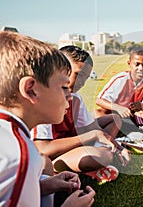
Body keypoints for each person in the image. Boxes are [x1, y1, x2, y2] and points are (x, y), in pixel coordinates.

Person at [0, 31, 95, 207]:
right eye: (64, 87)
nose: (69, 95)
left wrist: (43, 185)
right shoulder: (20, 156)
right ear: (31, 90)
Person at [31, 45, 130, 183]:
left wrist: (118, 147)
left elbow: (93, 128)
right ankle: (57, 167)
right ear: (60, 69)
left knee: (114, 121)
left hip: (71, 144)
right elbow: (43, 148)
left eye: (86, 77)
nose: (81, 82)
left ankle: (86, 163)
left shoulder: (75, 97)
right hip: (49, 155)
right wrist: (90, 137)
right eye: (78, 74)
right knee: (102, 155)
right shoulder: (43, 98)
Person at [95, 47, 143, 133]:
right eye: (137, 64)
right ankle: (127, 126)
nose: (141, 68)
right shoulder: (120, 79)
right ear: (129, 64)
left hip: (132, 114)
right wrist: (118, 108)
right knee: (98, 113)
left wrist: (141, 106)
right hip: (115, 113)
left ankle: (129, 126)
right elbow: (99, 100)